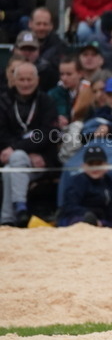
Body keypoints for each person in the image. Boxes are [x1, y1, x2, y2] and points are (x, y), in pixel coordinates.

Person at [0, 63, 60, 227]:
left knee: (12, 164)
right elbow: (2, 134)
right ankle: (16, 212)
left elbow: (48, 134)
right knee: (12, 164)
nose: (26, 84)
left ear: (37, 80)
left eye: (29, 79)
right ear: (13, 80)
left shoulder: (47, 102)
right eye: (21, 79)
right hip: (11, 158)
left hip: (40, 160)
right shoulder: (4, 101)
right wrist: (20, 150)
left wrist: (17, 148)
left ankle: (8, 218)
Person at [58, 145, 112, 227]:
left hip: (101, 220)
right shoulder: (78, 181)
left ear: (106, 165)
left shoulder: (109, 181)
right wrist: (89, 214)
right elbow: (69, 207)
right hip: (78, 217)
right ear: (83, 166)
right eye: (91, 164)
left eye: (99, 164)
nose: (95, 168)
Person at [49, 55, 84, 129]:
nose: (64, 78)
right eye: (62, 74)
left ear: (80, 74)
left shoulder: (88, 93)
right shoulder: (53, 94)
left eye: (69, 74)